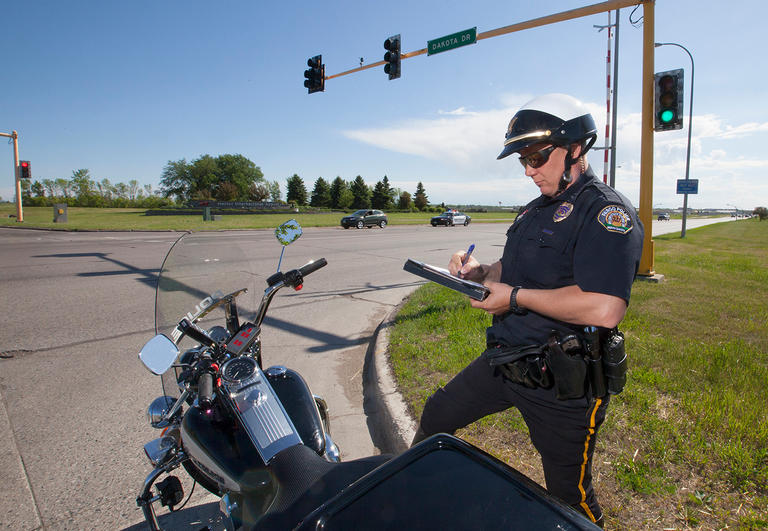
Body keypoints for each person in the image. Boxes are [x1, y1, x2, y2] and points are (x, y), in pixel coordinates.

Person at [411, 93, 644, 527]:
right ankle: (406, 494)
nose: (529, 170)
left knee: (568, 499)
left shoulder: (606, 213)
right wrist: (480, 272)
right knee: (437, 414)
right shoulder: (536, 210)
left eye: (536, 156)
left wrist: (515, 297)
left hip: (563, 386)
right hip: (504, 362)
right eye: (522, 160)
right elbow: (512, 266)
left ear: (576, 148)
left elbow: (606, 307)